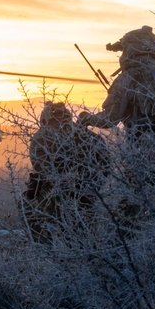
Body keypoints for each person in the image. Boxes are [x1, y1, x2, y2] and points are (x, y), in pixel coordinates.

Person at [23, 102, 110, 242]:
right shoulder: (89, 135)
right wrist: (90, 188)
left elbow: (41, 168)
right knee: (86, 232)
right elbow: (105, 164)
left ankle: (44, 249)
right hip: (87, 191)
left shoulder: (41, 136)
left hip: (58, 193)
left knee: (30, 207)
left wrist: (62, 185)